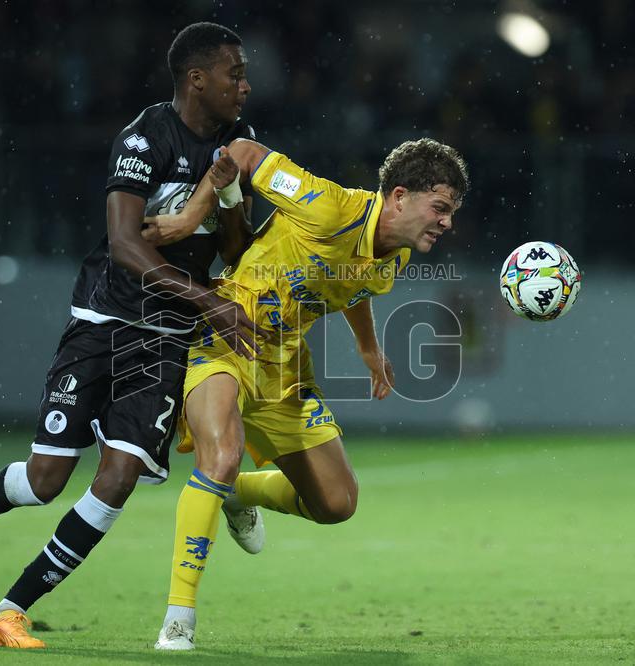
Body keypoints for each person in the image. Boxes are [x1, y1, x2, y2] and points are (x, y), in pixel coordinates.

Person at [0, 22, 271, 648]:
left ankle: (8, 609)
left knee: (118, 477)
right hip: (105, 320)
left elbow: (235, 249)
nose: (246, 85)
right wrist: (203, 300)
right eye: (234, 74)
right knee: (46, 478)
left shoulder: (238, 143)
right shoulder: (145, 137)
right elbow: (125, 244)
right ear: (197, 79)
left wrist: (232, 195)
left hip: (163, 336)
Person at [154, 136, 469, 650]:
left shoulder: (394, 256)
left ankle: (238, 495)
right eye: (440, 208)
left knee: (337, 503)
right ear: (399, 197)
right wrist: (192, 216)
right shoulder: (327, 205)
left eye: (451, 212)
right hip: (225, 334)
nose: (447, 223)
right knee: (222, 455)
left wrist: (368, 348)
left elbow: (353, 286)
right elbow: (243, 151)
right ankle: (178, 618)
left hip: (284, 365)